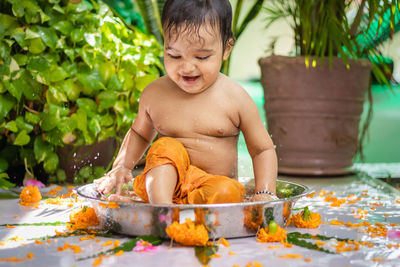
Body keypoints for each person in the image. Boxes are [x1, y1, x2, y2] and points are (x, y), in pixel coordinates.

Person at [94, 0, 277, 204]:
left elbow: (262, 150)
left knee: (228, 192)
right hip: (162, 189)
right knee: (166, 148)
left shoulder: (235, 98)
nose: (187, 67)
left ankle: (158, 209)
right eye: (174, 55)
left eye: (202, 57)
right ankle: (162, 209)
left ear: (226, 48)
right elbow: (138, 133)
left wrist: (264, 193)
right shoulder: (155, 94)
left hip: (211, 191)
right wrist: (122, 166)